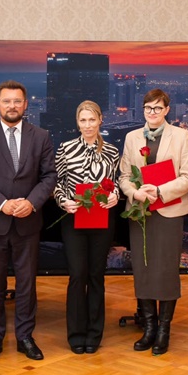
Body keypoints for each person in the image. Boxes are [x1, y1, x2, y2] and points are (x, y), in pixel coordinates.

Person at [0, 80, 57, 362]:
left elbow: (49, 177)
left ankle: (25, 337)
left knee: (27, 283)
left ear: (26, 104)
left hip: (28, 221)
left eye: (17, 101)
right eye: (6, 101)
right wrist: (3, 204)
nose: (12, 106)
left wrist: (30, 203)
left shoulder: (41, 136)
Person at [118, 89, 188, 355]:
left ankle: (164, 330)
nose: (152, 112)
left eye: (157, 108)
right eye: (148, 108)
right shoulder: (131, 137)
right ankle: (148, 327)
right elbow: (124, 176)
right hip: (140, 211)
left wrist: (161, 191)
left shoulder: (180, 135)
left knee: (165, 270)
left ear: (166, 110)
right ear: (143, 111)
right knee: (143, 268)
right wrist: (135, 192)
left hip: (169, 212)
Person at [54, 100, 120, 354]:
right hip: (74, 218)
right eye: (83, 120)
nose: (88, 125)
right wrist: (63, 202)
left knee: (96, 275)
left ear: (100, 120)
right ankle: (76, 333)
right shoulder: (65, 149)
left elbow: (115, 183)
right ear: (77, 122)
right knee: (77, 274)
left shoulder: (113, 152)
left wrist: (114, 195)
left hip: (102, 218)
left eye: (92, 119)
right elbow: (57, 183)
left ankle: (94, 333)